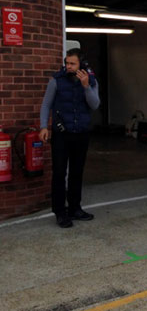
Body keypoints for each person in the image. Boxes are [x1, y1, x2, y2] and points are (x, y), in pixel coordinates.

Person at [39, 48, 100, 228]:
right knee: (59, 172)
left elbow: (95, 104)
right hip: (61, 134)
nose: (69, 66)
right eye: (67, 63)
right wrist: (43, 126)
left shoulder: (91, 82)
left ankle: (75, 208)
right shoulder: (56, 81)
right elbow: (46, 105)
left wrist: (86, 86)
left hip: (81, 132)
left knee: (76, 172)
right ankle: (60, 211)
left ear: (82, 65)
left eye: (72, 63)